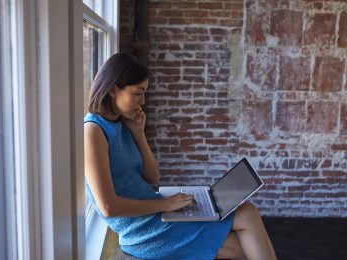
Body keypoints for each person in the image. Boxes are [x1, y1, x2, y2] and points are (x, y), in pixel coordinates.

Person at [84, 53, 277, 260]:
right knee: (244, 234)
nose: (143, 101)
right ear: (113, 89)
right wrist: (165, 205)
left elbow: (152, 178)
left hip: (156, 212)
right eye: (138, 93)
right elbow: (107, 207)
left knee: (248, 216)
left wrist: (139, 134)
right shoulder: (93, 131)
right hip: (143, 230)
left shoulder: (122, 123)